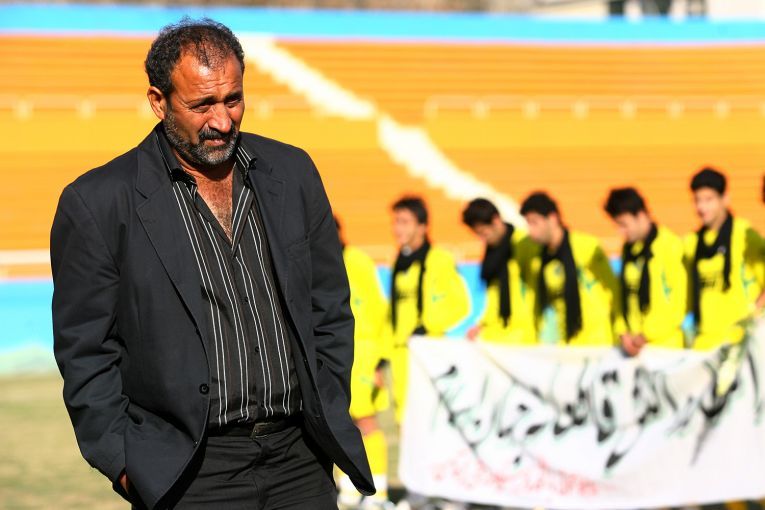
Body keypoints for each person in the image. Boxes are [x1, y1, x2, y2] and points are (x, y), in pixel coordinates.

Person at [50, 18, 373, 509]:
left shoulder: (293, 173)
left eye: (233, 99)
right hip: (187, 473)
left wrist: (327, 400)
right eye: (202, 104)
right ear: (158, 101)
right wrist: (126, 465)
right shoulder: (98, 201)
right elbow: (85, 350)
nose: (222, 121)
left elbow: (328, 306)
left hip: (300, 461)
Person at [386, 196, 470, 423]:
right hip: (401, 354)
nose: (397, 228)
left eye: (404, 222)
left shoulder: (439, 259)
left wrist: (428, 327)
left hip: (428, 352)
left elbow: (461, 305)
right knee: (404, 421)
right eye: (395, 222)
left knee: (431, 420)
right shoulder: (398, 262)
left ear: (422, 227)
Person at [335, 218, 392, 509]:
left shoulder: (357, 261)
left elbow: (378, 310)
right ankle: (348, 488)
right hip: (336, 354)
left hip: (363, 354)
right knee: (339, 421)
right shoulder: (318, 261)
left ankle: (378, 492)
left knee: (367, 422)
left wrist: (379, 360)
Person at [520, 192, 619, 346]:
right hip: (566, 344)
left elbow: (614, 292)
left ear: (552, 218)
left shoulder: (587, 246)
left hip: (597, 344)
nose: (531, 231)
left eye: (534, 222)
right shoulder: (540, 259)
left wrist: (620, 331)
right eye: (528, 223)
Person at [684, 167, 765, 350]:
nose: (701, 207)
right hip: (704, 344)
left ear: (725, 199)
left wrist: (751, 319)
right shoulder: (692, 243)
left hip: (740, 344)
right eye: (697, 200)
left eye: (709, 200)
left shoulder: (746, 237)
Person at [604, 187, 687, 355]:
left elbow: (678, 304)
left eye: (624, 225)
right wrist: (623, 332)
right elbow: (622, 297)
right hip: (635, 350)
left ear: (641, 215)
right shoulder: (630, 250)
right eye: (617, 226)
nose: (620, 232)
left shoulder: (669, 246)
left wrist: (646, 335)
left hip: (665, 349)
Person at [461, 198, 536, 344]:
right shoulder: (491, 255)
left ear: (496, 220)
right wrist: (482, 324)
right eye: (478, 234)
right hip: (499, 334)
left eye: (484, 233)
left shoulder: (524, 244)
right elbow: (494, 296)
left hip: (525, 335)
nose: (482, 239)